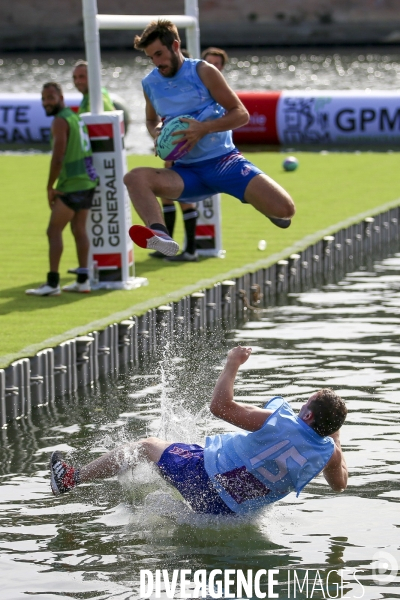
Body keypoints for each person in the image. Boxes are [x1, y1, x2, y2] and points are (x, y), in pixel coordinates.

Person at [49, 346, 348, 516]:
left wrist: (232, 364)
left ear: (307, 414)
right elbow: (339, 485)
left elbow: (219, 407)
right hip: (231, 510)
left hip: (203, 477)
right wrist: (334, 437)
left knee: (145, 446)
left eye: (305, 402)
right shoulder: (327, 455)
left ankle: (69, 479)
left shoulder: (280, 420)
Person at [126, 20, 295, 258]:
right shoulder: (150, 84)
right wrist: (157, 135)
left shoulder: (203, 71)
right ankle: (160, 234)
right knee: (134, 178)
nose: (156, 62)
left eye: (159, 54)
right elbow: (151, 121)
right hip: (186, 173)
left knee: (286, 209)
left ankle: (259, 202)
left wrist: (203, 129)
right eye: (150, 57)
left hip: (225, 163)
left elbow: (241, 114)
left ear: (175, 46)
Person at [26, 83, 98, 296]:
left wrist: (50, 186)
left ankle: (53, 283)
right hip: (88, 181)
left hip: (73, 185)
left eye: (50, 97)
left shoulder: (60, 121)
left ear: (61, 97)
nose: (46, 102)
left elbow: (58, 158)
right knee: (79, 230)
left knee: (53, 230)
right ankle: (83, 280)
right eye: (43, 98)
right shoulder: (74, 117)